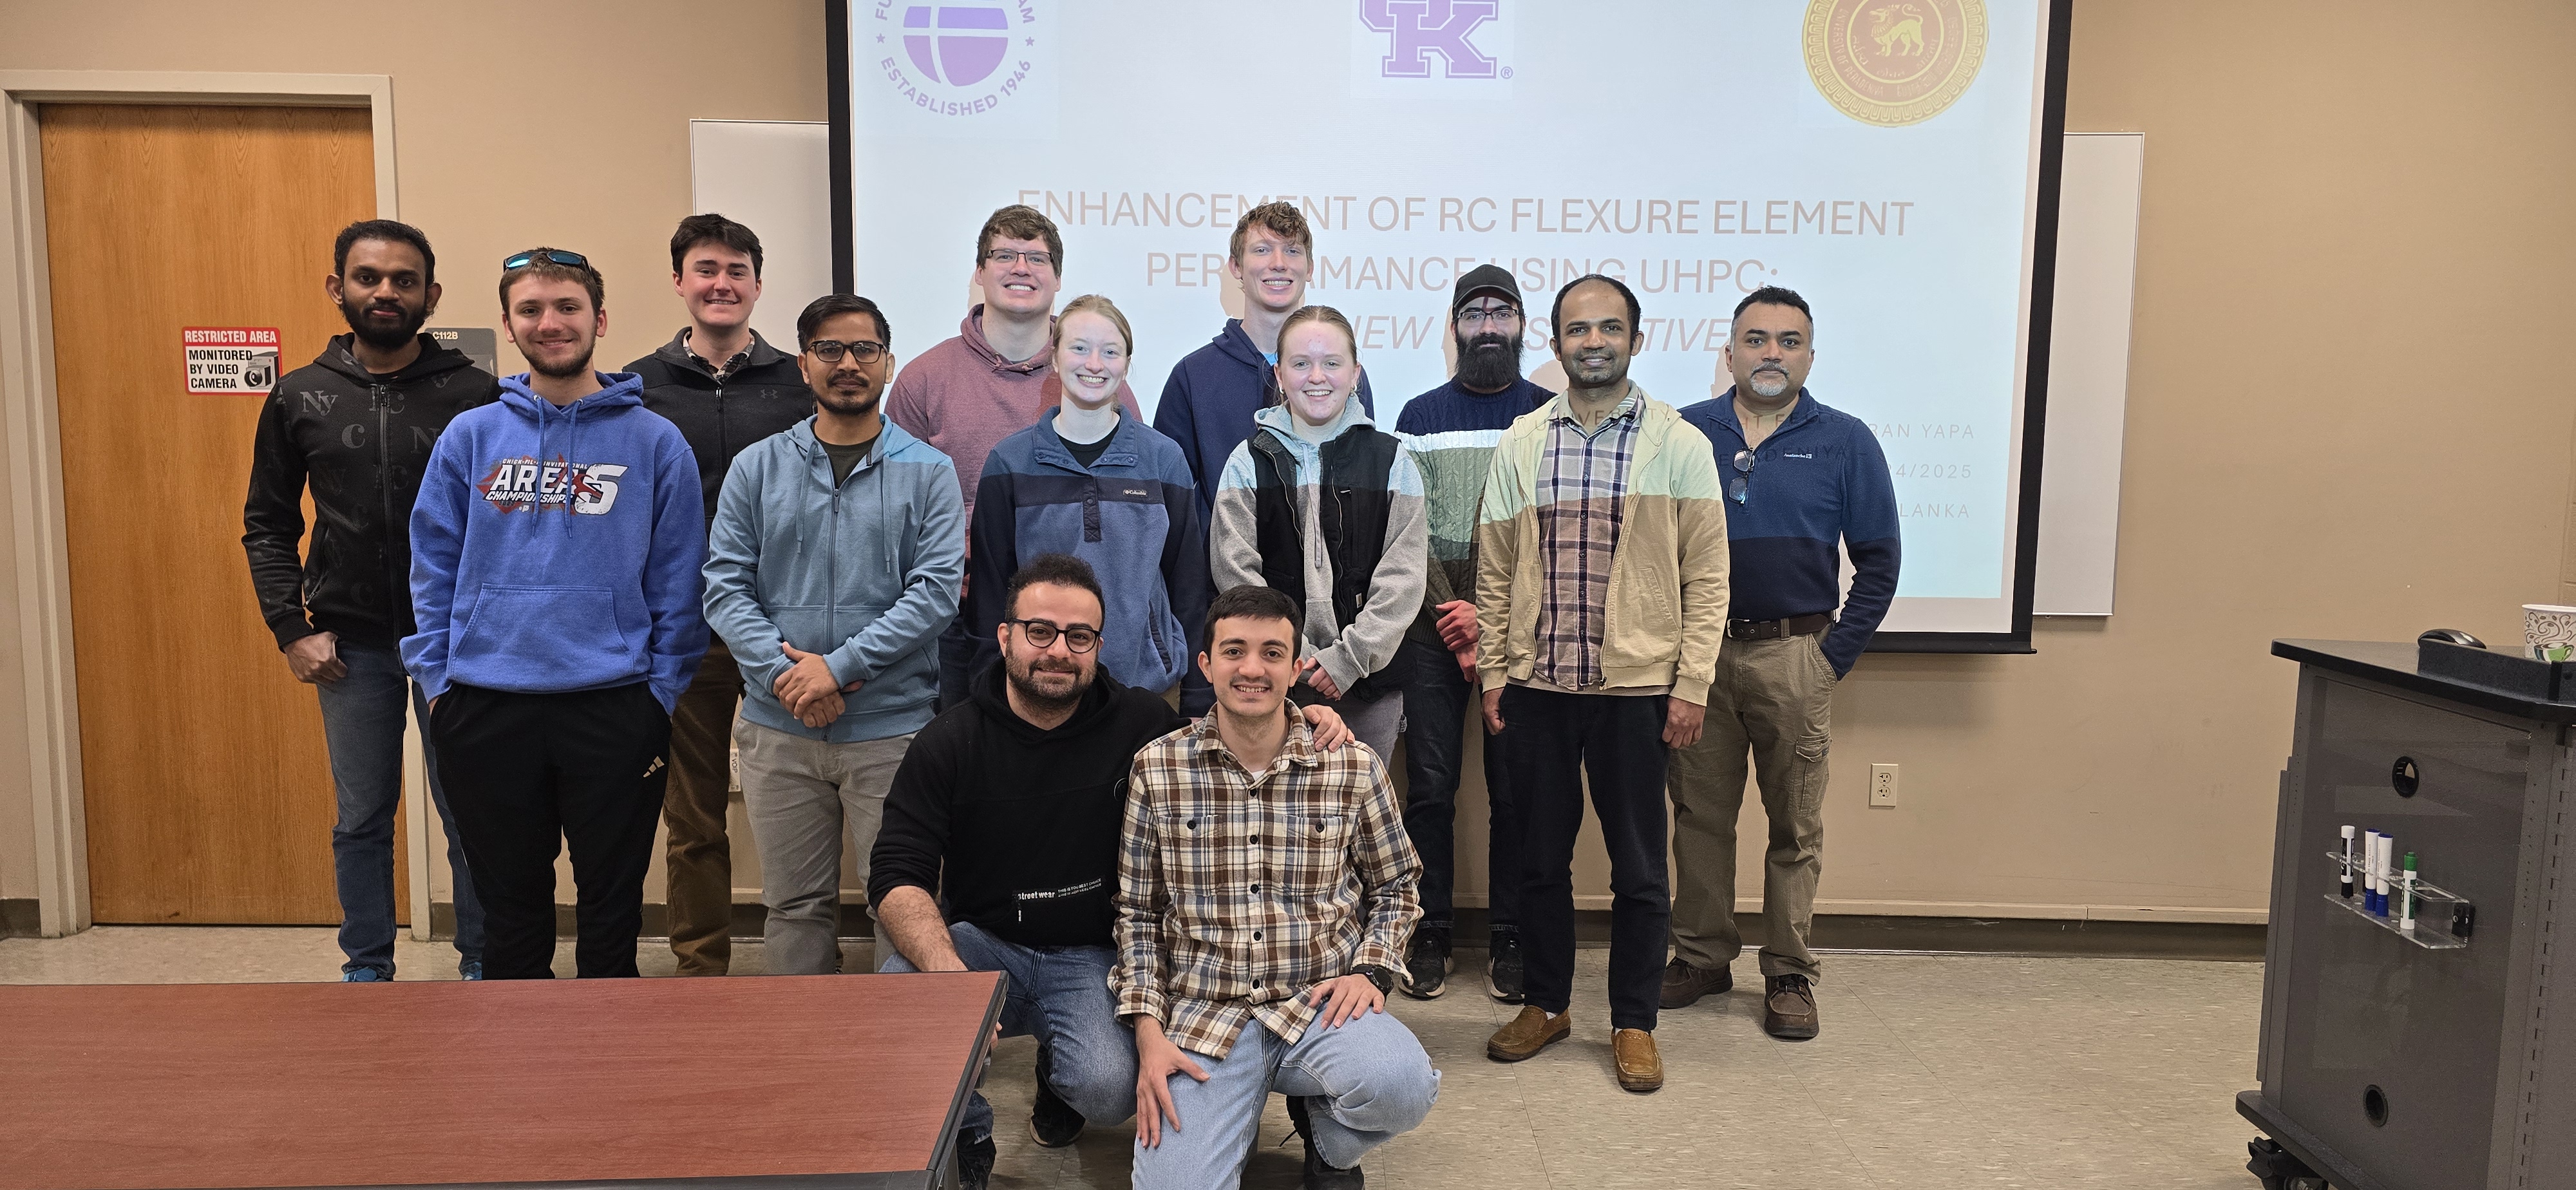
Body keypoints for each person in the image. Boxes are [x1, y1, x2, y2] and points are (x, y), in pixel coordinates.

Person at [869, 556, 1354, 1189]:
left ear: (1098, 646)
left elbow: (1230, 739)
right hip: (982, 945)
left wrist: (1305, 717)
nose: (1058, 652)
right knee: (898, 1002)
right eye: (1039, 631)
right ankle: (967, 1140)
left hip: (1095, 954)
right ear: (1005, 636)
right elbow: (895, 874)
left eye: (1079, 637)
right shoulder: (948, 741)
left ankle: (1059, 1074)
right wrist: (947, 976)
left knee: (1110, 1088)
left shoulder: (1140, 723)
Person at [405, 247, 709, 980]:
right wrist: (439, 682)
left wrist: (659, 693)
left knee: (611, 920)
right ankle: (524, 1085)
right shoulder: (470, 437)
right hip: (485, 702)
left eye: (567, 307)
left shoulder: (655, 441)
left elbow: (679, 577)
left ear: (599, 320)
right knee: (509, 922)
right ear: (510, 327)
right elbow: (432, 565)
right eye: (532, 309)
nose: (551, 323)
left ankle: (607, 1082)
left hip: (613, 703)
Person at [1472, 275, 1728, 1092]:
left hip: (1636, 691)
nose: (1593, 342)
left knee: (1640, 871)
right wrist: (1490, 672)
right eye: (1578, 330)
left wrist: (1690, 684)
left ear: (1634, 340)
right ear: (1554, 345)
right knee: (1541, 861)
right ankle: (1547, 1004)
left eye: (1609, 329)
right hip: (1539, 686)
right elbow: (1494, 571)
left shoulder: (1679, 443)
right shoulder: (1522, 441)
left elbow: (1708, 574)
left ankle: (1633, 1021)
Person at [242, 218, 498, 982]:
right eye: (368, 278)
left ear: (431, 295)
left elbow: (508, 523)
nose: (386, 292)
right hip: (349, 647)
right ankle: (366, 969)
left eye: (404, 280)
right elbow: (268, 523)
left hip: (458, 645)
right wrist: (292, 627)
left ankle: (484, 963)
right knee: (361, 818)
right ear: (339, 288)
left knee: (471, 817)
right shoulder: (299, 395)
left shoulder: (475, 395)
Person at [1117, 585, 1439, 1190]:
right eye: (1234, 651)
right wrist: (1147, 1030)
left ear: (1297, 668)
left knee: (1404, 1087)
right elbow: (1137, 914)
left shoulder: (1351, 765)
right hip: (1204, 1012)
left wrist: (1369, 970)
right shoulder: (1157, 770)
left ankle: (1326, 1139)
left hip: (1319, 1001)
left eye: (1272, 653)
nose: (1252, 668)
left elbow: (1398, 884)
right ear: (1206, 664)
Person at [701, 293, 961, 976]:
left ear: (888, 364)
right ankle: (803, 1067)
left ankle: (899, 1072)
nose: (848, 364)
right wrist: (790, 678)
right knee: (792, 907)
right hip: (778, 726)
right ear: (804, 365)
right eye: (830, 350)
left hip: (891, 731)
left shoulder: (929, 471)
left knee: (899, 905)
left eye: (864, 350)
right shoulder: (759, 467)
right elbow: (724, 586)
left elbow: (934, 593)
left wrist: (838, 668)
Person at [1664, 287, 1900, 1040]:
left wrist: (1828, 659)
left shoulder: (1845, 440)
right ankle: (1701, 957)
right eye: (1756, 339)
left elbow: (1880, 562)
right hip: (1698, 657)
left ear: (1808, 354)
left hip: (1794, 654)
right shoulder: (1682, 434)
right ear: (1728, 352)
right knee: (1699, 817)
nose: (1772, 353)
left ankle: (1790, 971)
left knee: (1794, 824)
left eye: (1788, 341)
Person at [628, 212, 818, 978]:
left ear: (757, 286)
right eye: (706, 269)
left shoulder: (797, 382)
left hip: (785, 629)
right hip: (684, 633)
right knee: (694, 816)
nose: (721, 284)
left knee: (799, 809)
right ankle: (700, 969)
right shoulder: (636, 388)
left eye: (737, 271)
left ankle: (800, 959)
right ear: (679, 282)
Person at [884, 204, 1139, 712]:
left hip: (1072, 623)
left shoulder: (1101, 383)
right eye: (1005, 255)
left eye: (1037, 258)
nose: (1021, 268)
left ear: (1058, 279)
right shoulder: (924, 379)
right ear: (979, 273)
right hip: (954, 619)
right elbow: (891, 509)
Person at [1388, 264, 1553, 1001]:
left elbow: (1552, 536)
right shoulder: (1418, 414)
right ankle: (1428, 932)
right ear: (1454, 327)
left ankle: (1513, 935)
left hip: (1520, 637)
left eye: (1502, 313)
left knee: (1516, 793)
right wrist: (1454, 617)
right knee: (1429, 790)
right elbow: (1406, 529)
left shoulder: (1548, 416)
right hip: (1429, 632)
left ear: (1522, 326)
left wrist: (1491, 618)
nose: (1488, 325)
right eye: (1474, 313)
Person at [1208, 305, 1425, 762]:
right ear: (1279, 374)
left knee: (1358, 825)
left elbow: (1403, 578)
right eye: (1301, 363)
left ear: (1355, 373)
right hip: (1275, 684)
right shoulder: (1247, 461)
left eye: (1332, 363)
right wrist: (1296, 659)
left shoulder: (1393, 461)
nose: (1317, 377)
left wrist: (1347, 659)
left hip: (1369, 688)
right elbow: (1237, 574)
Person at [965, 296, 1206, 705]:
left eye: (1110, 352)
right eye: (1079, 348)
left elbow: (1189, 587)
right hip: (1040, 689)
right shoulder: (1008, 462)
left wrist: (1199, 696)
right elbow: (990, 594)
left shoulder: (1163, 460)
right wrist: (990, 696)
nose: (1094, 364)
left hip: (1147, 692)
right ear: (1055, 358)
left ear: (1126, 364)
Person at [1153, 202, 1375, 522]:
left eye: (1293, 251)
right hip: (1222, 569)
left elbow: (1361, 486)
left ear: (1310, 267)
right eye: (1262, 250)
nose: (1279, 263)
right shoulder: (1192, 377)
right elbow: (1172, 506)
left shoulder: (1340, 377)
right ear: (1236, 266)